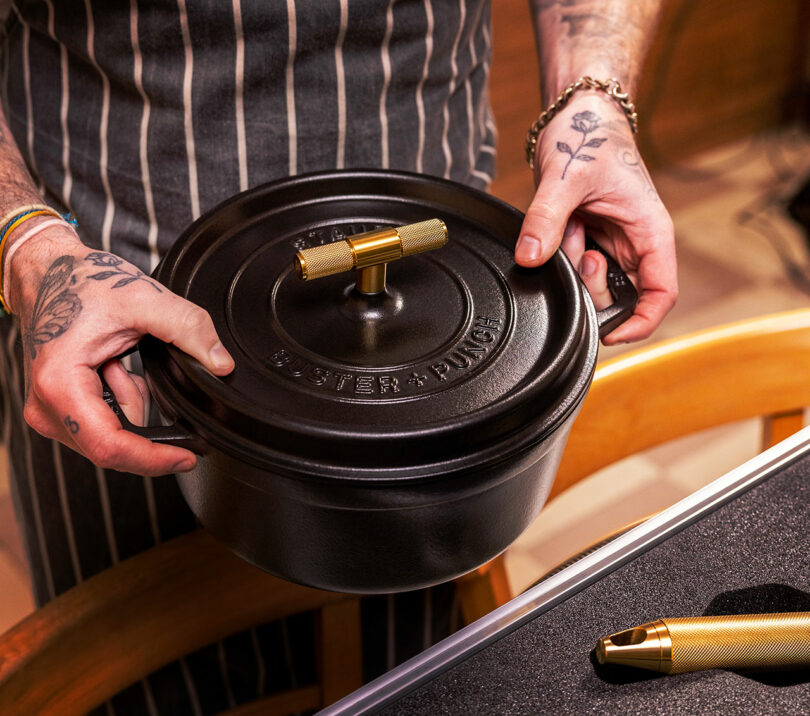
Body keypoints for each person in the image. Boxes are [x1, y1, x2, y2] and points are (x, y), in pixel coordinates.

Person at [0, 0, 676, 712]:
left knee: (416, 679)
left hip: (439, 233)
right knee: (145, 683)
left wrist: (590, 105)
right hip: (114, 300)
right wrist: (25, 244)